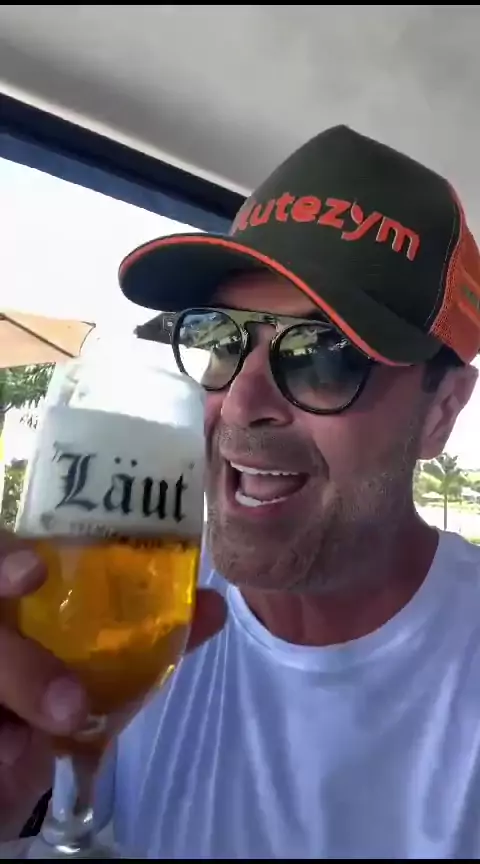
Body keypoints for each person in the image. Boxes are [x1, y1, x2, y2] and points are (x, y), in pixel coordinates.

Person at [3, 124, 480, 859]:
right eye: (223, 341)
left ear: (441, 411)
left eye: (323, 355)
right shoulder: (126, 617)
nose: (242, 401)